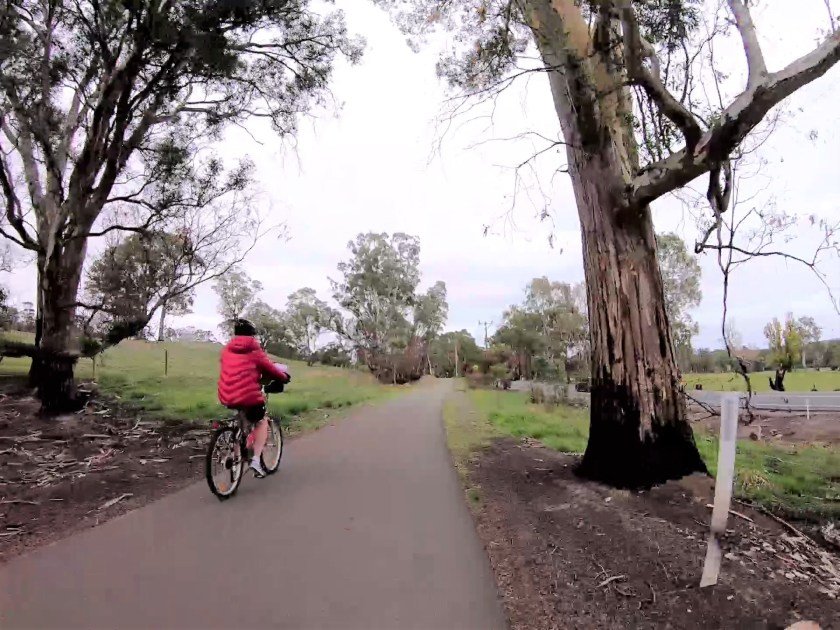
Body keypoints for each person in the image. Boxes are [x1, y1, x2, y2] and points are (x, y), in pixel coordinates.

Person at [218, 318, 290, 478]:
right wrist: (284, 377)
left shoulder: (225, 351)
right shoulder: (255, 351)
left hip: (226, 395)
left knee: (242, 426)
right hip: (249, 395)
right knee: (261, 420)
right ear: (252, 335)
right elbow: (271, 369)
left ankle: (236, 457)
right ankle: (256, 461)